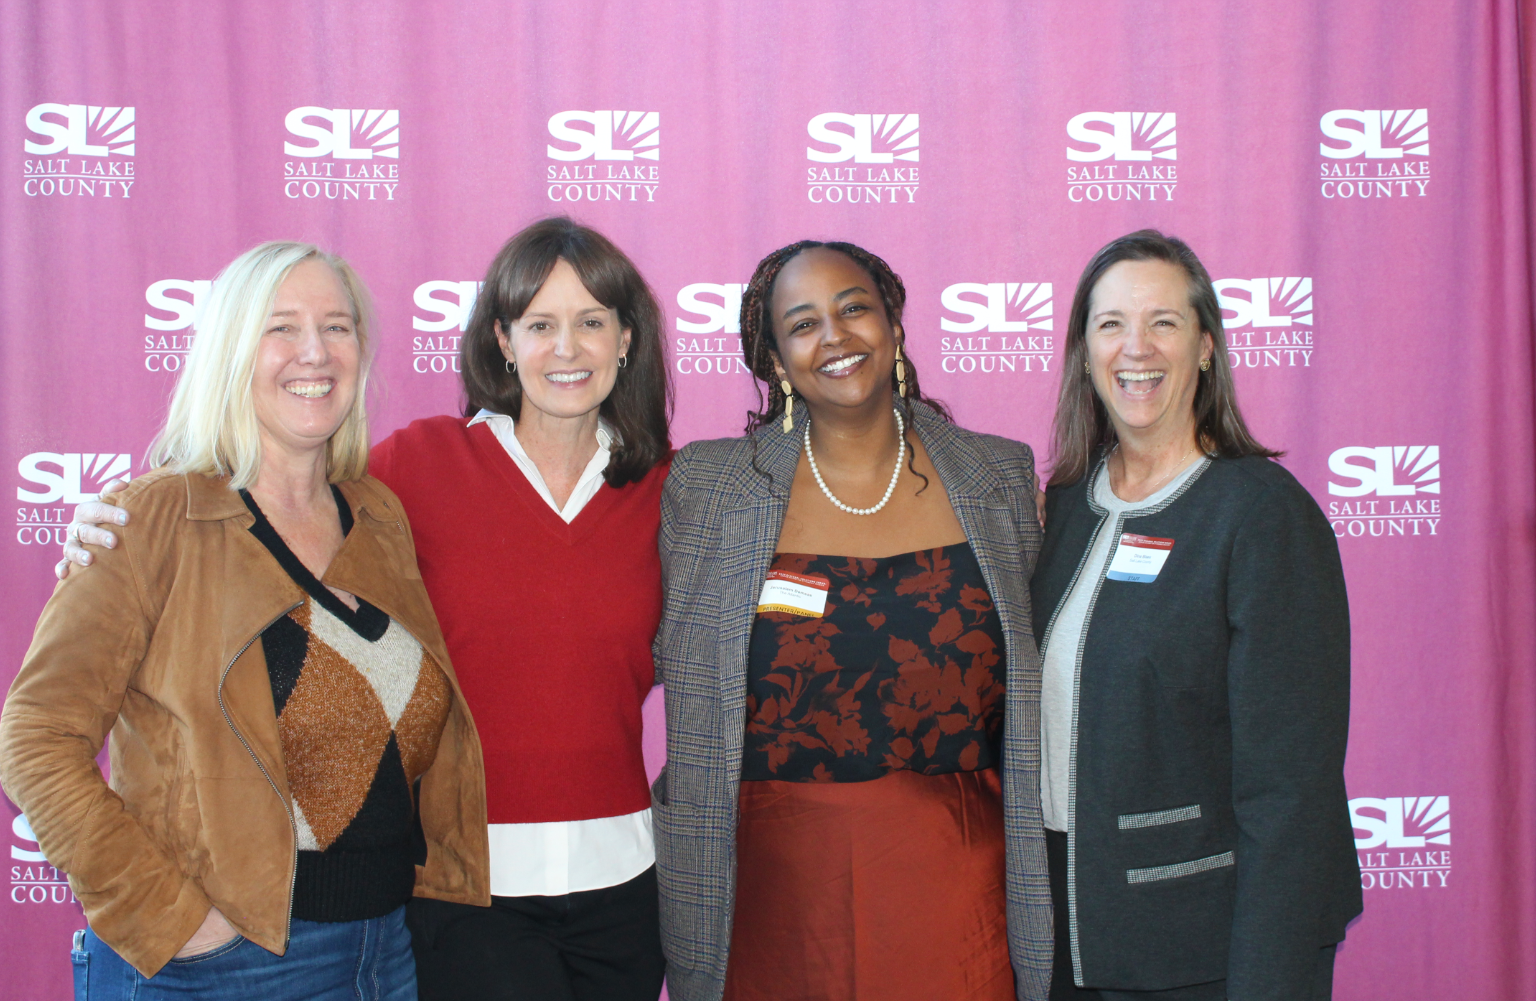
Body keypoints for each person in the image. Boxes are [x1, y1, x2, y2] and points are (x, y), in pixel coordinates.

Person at [59, 218, 673, 1001]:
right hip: (461, 892)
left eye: (592, 322)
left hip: (619, 884)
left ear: (627, 339)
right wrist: (110, 522)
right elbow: (264, 487)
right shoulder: (413, 468)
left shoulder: (673, 494)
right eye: (541, 323)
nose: (567, 347)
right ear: (502, 340)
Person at [0, 241, 489, 1000]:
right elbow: (34, 737)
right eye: (281, 327)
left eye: (338, 326)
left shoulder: (377, 514)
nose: (315, 352)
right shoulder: (153, 518)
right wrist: (172, 919)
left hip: (385, 950)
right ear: (230, 349)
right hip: (219, 964)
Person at [653, 240, 1052, 1001]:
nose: (834, 336)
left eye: (854, 308)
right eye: (802, 324)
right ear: (775, 360)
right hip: (772, 894)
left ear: (894, 327)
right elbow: (665, 653)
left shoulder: (997, 475)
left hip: (958, 885)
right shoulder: (707, 488)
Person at [1031, 230, 1361, 1001]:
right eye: (1110, 323)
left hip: (1203, 949)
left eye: (1164, 323)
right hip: (1065, 943)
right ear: (1084, 350)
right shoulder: (1066, 508)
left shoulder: (1260, 516)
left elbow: (1291, 794)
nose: (1134, 347)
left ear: (1206, 346)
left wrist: (1268, 979)